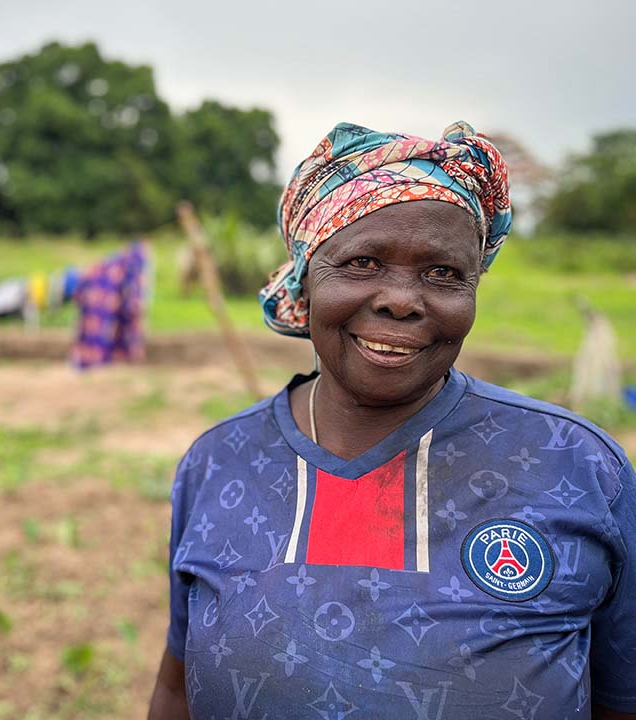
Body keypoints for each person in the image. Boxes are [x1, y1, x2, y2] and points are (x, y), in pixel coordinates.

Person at [148, 122, 636, 720]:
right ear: (306, 276)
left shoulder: (577, 463)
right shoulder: (219, 460)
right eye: (362, 261)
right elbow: (177, 691)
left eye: (443, 274)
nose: (402, 299)